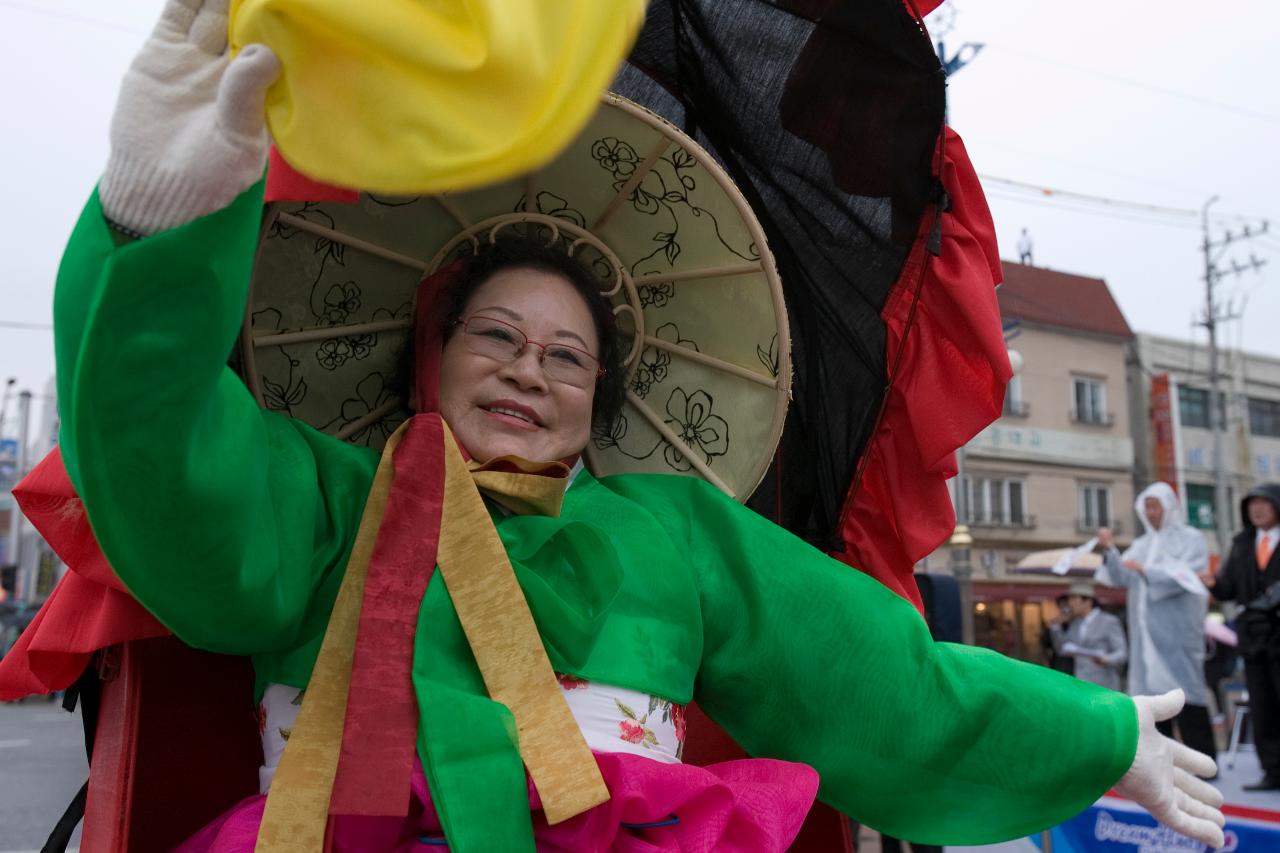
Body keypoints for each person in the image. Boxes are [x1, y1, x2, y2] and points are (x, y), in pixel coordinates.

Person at [22, 2, 1227, 850]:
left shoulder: (672, 531)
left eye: (565, 355)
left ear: (601, 394)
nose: (527, 374)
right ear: (428, 352)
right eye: (494, 336)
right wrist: (155, 224)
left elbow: (878, 683)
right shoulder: (328, 498)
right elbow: (164, 468)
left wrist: (1090, 733)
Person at [1096, 483, 1216, 763]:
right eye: (1146, 506)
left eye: (1155, 506)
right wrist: (1110, 551)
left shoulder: (1191, 538)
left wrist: (1147, 571)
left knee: (1187, 696)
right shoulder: (1142, 544)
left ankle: (1205, 762)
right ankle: (1163, 764)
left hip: (1177, 633)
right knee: (1152, 701)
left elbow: (1188, 576)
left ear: (1170, 507)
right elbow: (1119, 577)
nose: (1150, 513)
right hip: (1144, 635)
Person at [1199, 484, 1280, 791]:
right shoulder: (1243, 543)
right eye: (1252, 504)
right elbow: (1229, 588)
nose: (1257, 509)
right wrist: (1212, 584)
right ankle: (1272, 771)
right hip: (1253, 636)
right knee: (1262, 704)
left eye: (1264, 503)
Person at [1049, 583, 1127, 691]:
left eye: (1074, 599)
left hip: (1104, 686)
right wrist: (1056, 627)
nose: (1070, 604)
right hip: (1080, 684)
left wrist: (1106, 659)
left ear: (1087, 601)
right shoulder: (1076, 623)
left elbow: (1122, 653)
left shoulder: (1109, 622)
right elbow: (1062, 648)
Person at [1041, 594, 1077, 676]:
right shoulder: (1054, 623)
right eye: (1062, 605)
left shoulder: (1079, 623)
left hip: (1077, 665)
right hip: (1058, 664)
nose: (1065, 609)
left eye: (1067, 605)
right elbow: (1045, 644)